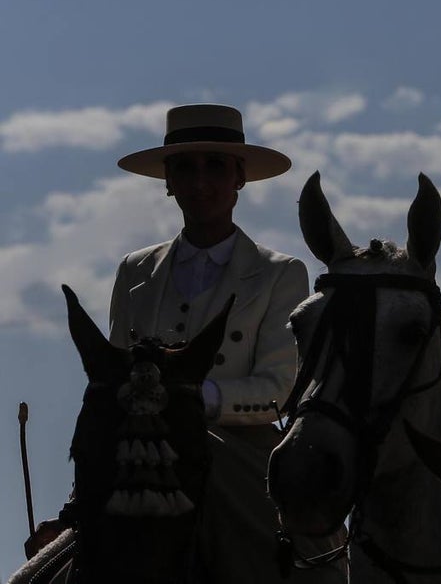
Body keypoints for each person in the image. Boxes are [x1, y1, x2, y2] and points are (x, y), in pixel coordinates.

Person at [110, 103, 345, 583]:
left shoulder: (281, 274)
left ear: (239, 177)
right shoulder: (135, 270)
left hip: (240, 457)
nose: (201, 182)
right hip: (136, 455)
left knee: (308, 561)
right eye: (186, 167)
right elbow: (110, 378)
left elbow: (281, 386)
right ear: (168, 181)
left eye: (215, 165)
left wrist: (199, 399)